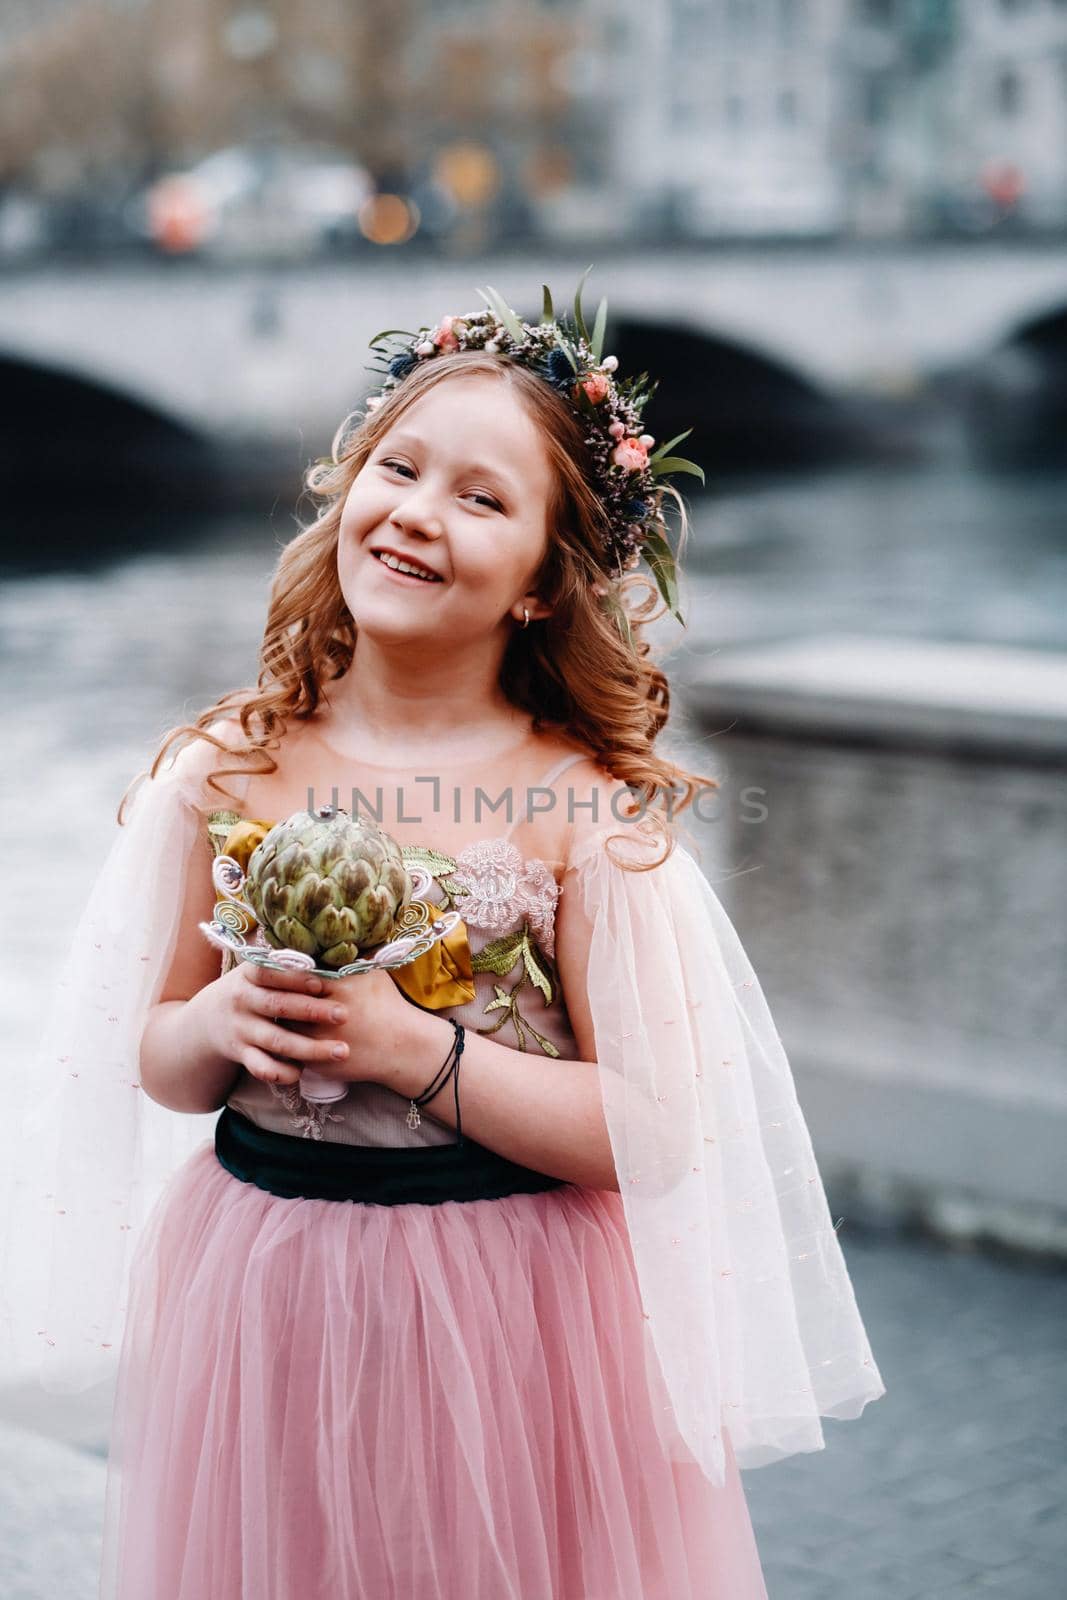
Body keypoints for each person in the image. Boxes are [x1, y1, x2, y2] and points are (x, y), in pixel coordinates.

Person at [1, 279, 885, 1599]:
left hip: (513, 1299)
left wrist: (420, 1055)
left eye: (483, 499)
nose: (419, 512)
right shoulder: (226, 767)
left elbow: (654, 1128)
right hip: (262, 1281)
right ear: (347, 488)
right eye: (399, 468)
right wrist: (215, 1026)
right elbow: (160, 1059)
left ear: (541, 584)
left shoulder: (579, 810)